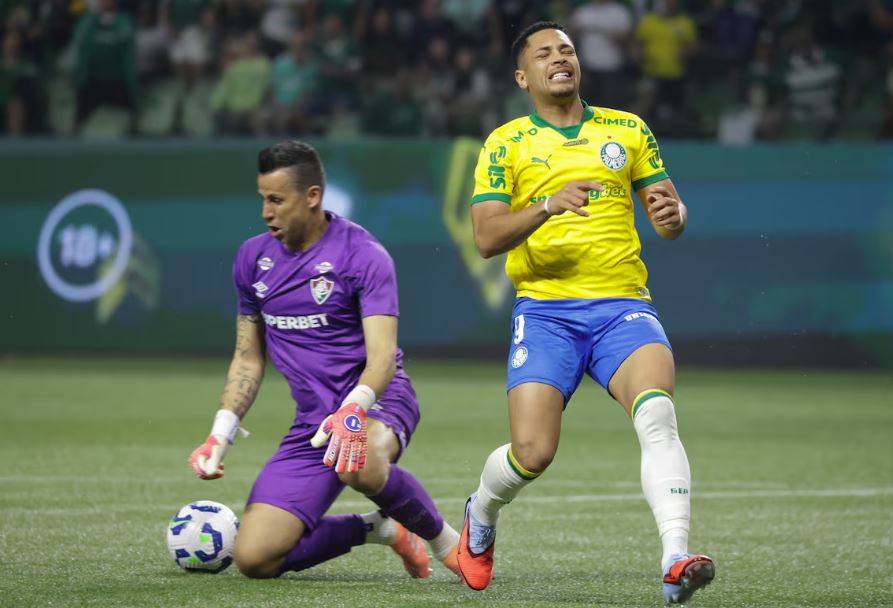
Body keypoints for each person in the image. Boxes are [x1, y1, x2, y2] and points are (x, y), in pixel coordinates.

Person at [455, 21, 715, 605]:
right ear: (523, 77)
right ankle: (482, 509)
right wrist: (547, 205)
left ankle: (675, 558)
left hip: (623, 306)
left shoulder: (627, 129)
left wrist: (674, 217)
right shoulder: (506, 143)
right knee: (533, 453)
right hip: (546, 312)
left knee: (657, 415)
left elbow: (668, 214)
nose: (560, 58)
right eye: (544, 53)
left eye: (567, 50)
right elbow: (486, 238)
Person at [188, 140, 460, 580]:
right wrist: (221, 433)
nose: (266, 212)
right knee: (253, 558)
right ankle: (381, 529)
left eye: (277, 200)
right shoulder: (252, 259)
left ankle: (450, 544)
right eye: (263, 199)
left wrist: (352, 410)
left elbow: (382, 359)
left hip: (377, 402)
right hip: (314, 424)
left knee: (357, 459)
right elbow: (247, 358)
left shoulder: (363, 255)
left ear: (312, 196)